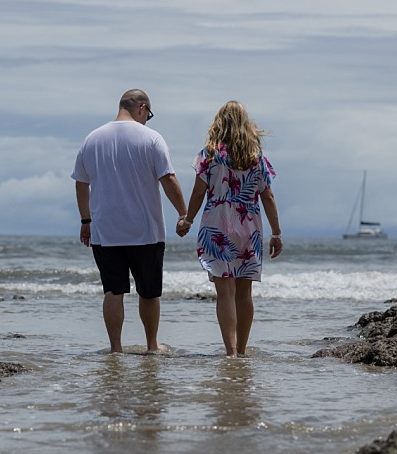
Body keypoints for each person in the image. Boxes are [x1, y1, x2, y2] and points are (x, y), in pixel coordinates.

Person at [73, 89, 188, 354]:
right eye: (149, 114)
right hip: (145, 230)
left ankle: (116, 349)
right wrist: (184, 214)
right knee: (149, 292)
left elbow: (81, 181)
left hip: (105, 230)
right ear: (142, 108)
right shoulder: (151, 138)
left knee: (113, 291)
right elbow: (168, 179)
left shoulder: (92, 139)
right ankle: (151, 346)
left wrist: (85, 220)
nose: (148, 119)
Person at [175, 100, 282, 357]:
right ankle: (242, 350)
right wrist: (276, 233)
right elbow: (267, 197)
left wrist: (187, 220)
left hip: (217, 222)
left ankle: (231, 351)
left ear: (218, 124)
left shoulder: (209, 155)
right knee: (245, 292)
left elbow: (199, 191)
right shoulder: (256, 158)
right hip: (249, 223)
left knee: (225, 290)